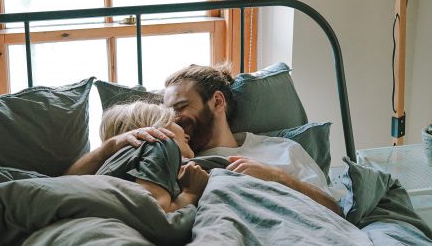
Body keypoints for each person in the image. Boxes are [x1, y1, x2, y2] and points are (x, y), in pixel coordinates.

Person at [67, 63, 341, 216]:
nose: (173, 118)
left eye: (180, 107)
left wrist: (278, 178)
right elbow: (71, 184)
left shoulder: (282, 150)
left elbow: (336, 212)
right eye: (167, 113)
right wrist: (110, 146)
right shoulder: (167, 154)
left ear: (217, 101)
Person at [65, 101, 209, 213]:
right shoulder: (159, 146)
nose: (187, 134)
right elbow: (158, 216)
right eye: (175, 122)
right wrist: (191, 194)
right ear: (155, 127)